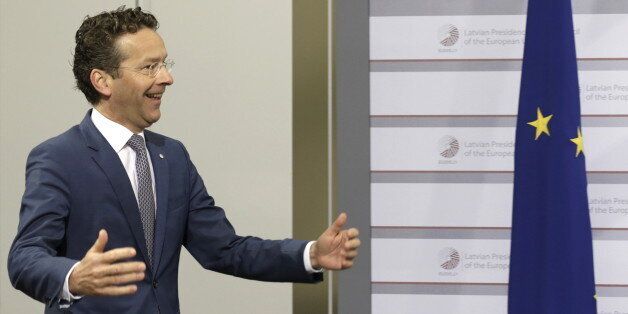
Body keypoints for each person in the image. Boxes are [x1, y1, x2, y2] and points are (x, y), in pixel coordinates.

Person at [7, 6, 360, 313]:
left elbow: (224, 249)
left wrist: (310, 255)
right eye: (149, 67)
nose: (167, 77)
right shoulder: (58, 158)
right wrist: (73, 277)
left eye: (165, 63)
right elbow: (24, 258)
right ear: (102, 81)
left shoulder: (172, 156)